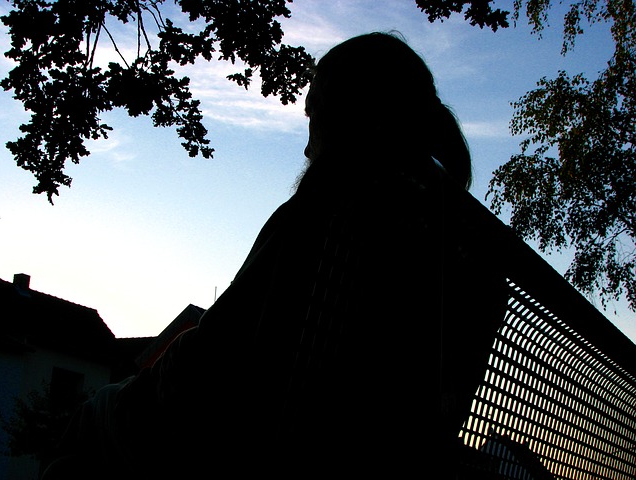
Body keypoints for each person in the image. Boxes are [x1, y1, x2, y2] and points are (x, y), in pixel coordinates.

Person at [42, 32, 507, 479]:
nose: (308, 146)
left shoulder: (334, 212)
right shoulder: (475, 255)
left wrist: (126, 397)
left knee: (80, 435)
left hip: (244, 448)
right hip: (373, 459)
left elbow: (220, 355)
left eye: (315, 117)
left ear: (351, 117)